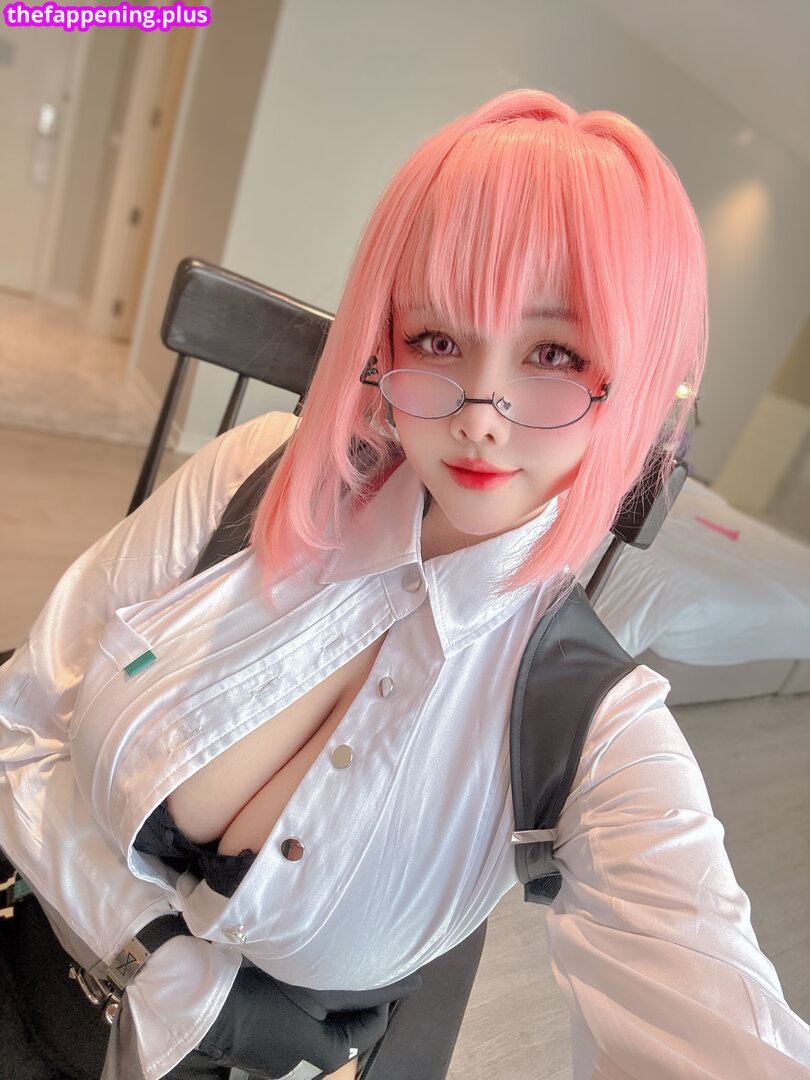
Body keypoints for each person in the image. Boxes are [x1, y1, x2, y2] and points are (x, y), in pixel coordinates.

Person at [1, 89, 809, 1080]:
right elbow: (22, 719)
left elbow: (712, 1013)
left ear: (634, 387)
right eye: (437, 339)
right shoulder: (253, 475)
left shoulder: (594, 729)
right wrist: (174, 972)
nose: (479, 413)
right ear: (384, 342)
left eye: (554, 353)